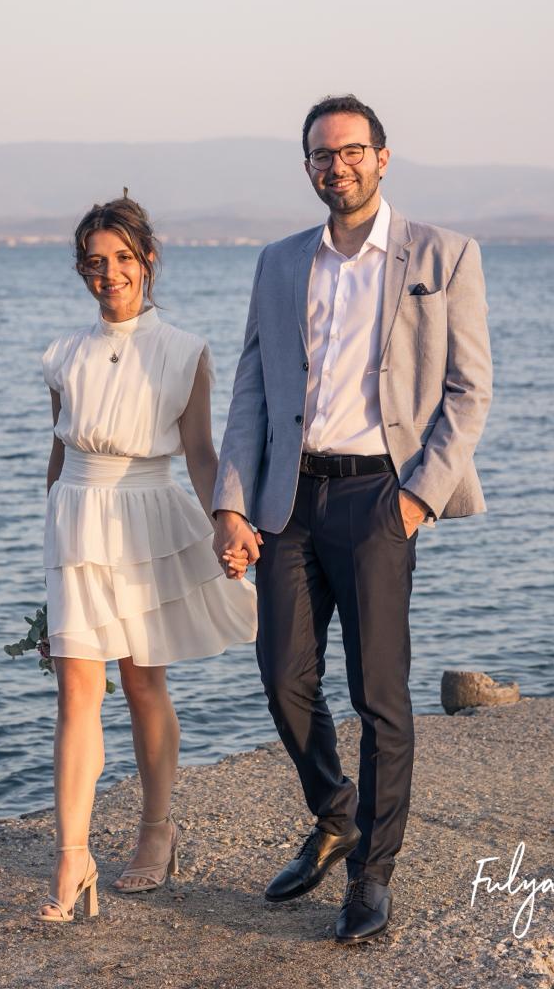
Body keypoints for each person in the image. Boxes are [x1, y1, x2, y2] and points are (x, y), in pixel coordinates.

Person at [212, 95, 493, 944]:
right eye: (319, 156)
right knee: (283, 678)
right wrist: (230, 501)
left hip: (380, 498)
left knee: (380, 698)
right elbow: (252, 389)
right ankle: (334, 813)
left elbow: (468, 392)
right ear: (307, 168)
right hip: (288, 501)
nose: (334, 166)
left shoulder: (442, 255)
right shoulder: (279, 262)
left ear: (381, 156)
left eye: (349, 151)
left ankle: (372, 876)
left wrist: (416, 497)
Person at [36, 193, 257, 923]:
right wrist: (51, 566)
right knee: (75, 689)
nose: (110, 274)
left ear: (148, 260)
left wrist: (228, 522)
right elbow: (58, 453)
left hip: (145, 519)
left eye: (123, 259)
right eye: (95, 263)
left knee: (140, 683)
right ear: (79, 270)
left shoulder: (184, 349)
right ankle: (73, 855)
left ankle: (155, 832)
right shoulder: (62, 354)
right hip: (74, 519)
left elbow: (198, 453)